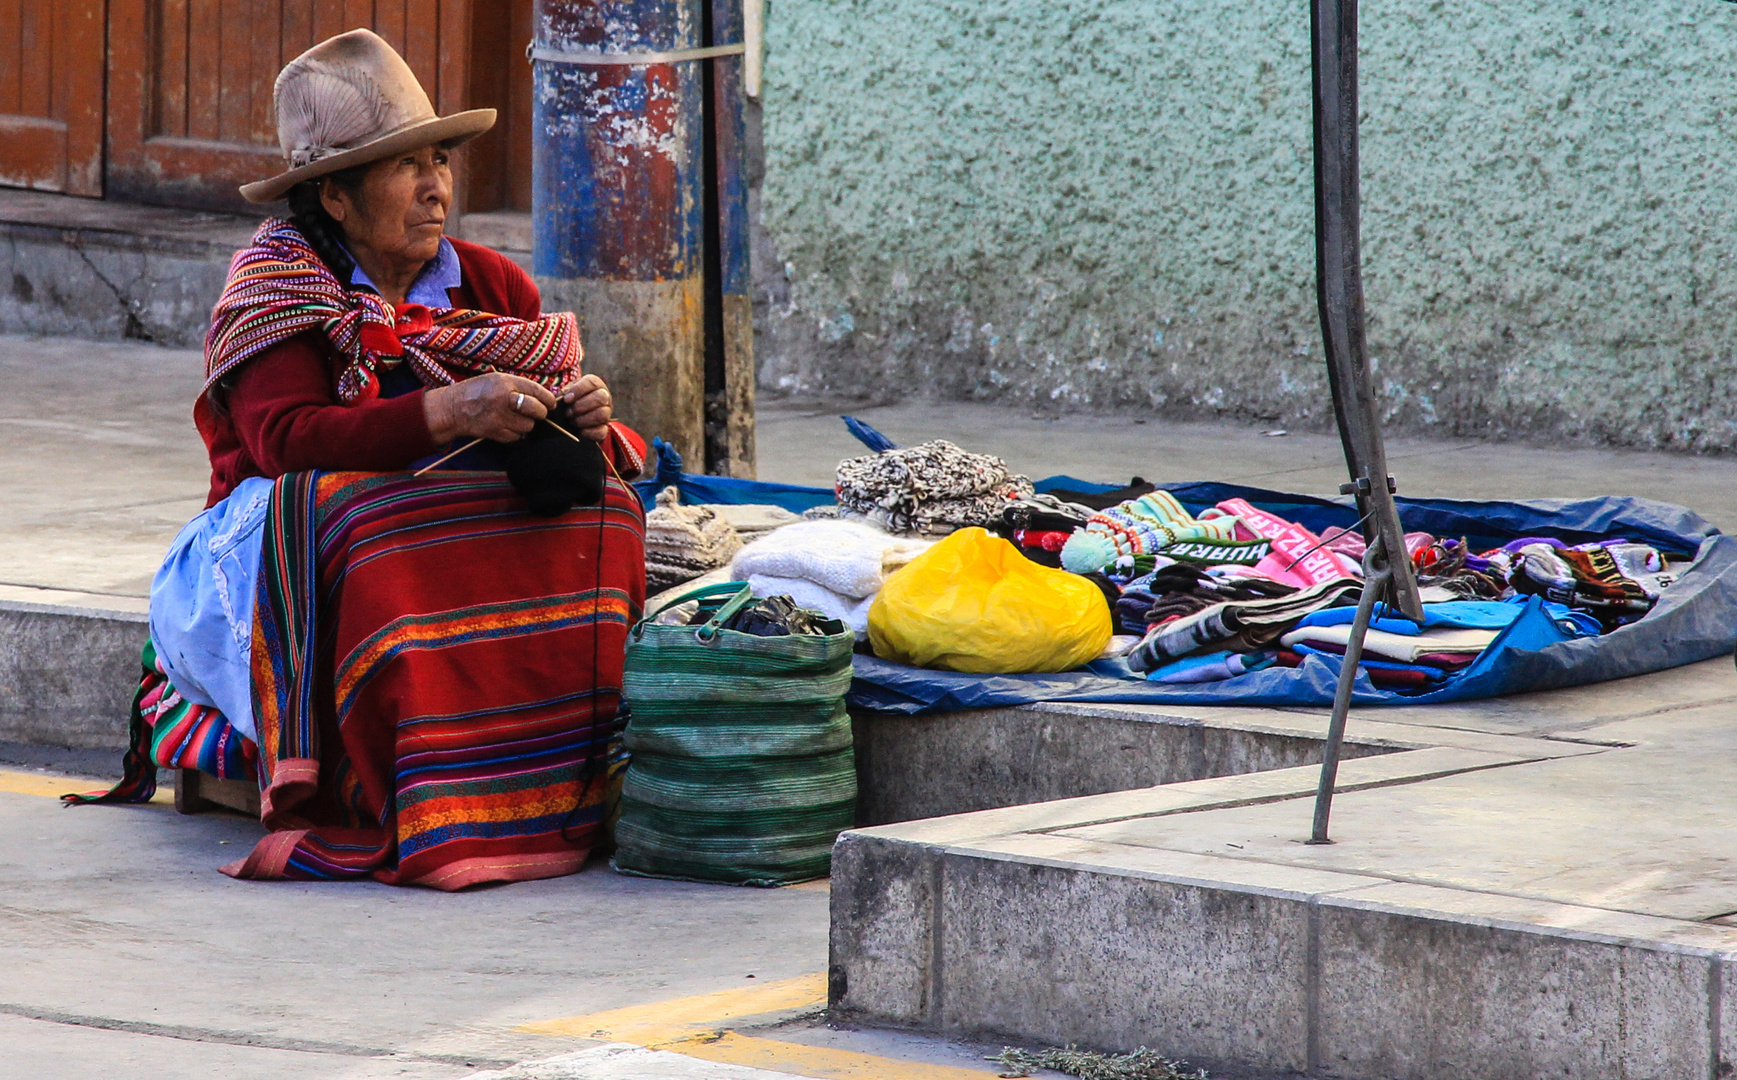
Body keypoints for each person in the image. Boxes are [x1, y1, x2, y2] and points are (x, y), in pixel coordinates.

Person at [69, 29, 649, 891]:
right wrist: (448, 409)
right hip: (260, 558)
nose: (436, 187)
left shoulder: (493, 288)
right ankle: (408, 786)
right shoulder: (275, 288)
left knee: (605, 507)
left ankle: (561, 775)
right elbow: (286, 443)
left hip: (422, 538)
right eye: (405, 168)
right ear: (334, 198)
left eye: (441, 162)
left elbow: (561, 430)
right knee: (365, 520)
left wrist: (590, 421)